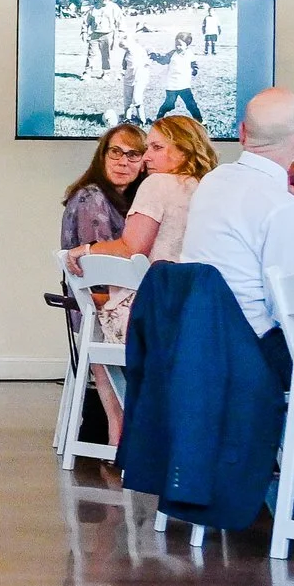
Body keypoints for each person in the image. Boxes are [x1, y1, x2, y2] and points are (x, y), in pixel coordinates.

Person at [70, 114, 217, 439]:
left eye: (155, 147)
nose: (146, 157)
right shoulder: (210, 186)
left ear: (183, 150)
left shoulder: (158, 184)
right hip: (197, 313)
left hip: (153, 311)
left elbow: (131, 247)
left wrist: (88, 249)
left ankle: (117, 431)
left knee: (93, 325)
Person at [184, 88, 294, 382]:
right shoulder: (282, 205)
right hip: (260, 355)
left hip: (205, 347)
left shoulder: (211, 182)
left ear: (242, 131)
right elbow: (288, 305)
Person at [61, 123, 145, 249]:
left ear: (144, 164)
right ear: (102, 156)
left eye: (133, 155)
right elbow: (101, 261)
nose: (123, 162)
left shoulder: (136, 199)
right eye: (115, 152)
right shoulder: (91, 196)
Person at [148, 31, 204, 121]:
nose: (177, 47)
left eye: (180, 45)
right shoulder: (172, 54)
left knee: (191, 104)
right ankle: (159, 118)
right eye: (176, 44)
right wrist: (155, 56)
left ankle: (200, 121)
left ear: (187, 45)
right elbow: (163, 60)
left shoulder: (190, 54)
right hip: (172, 85)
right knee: (169, 104)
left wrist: (194, 70)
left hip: (184, 85)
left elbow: (194, 65)